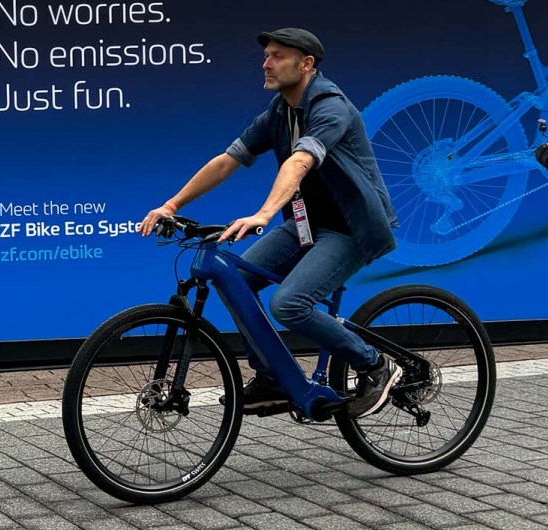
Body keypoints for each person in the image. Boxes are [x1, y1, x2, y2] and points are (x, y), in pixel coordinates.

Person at [140, 28, 401, 418]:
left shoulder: (331, 107)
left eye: (277, 55)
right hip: (305, 226)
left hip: (350, 228)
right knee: (237, 282)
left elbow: (301, 161)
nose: (266, 63)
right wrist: (171, 204)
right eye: (266, 55)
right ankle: (272, 376)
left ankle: (375, 365)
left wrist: (263, 213)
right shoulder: (278, 113)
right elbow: (227, 161)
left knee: (290, 304)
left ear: (307, 63)